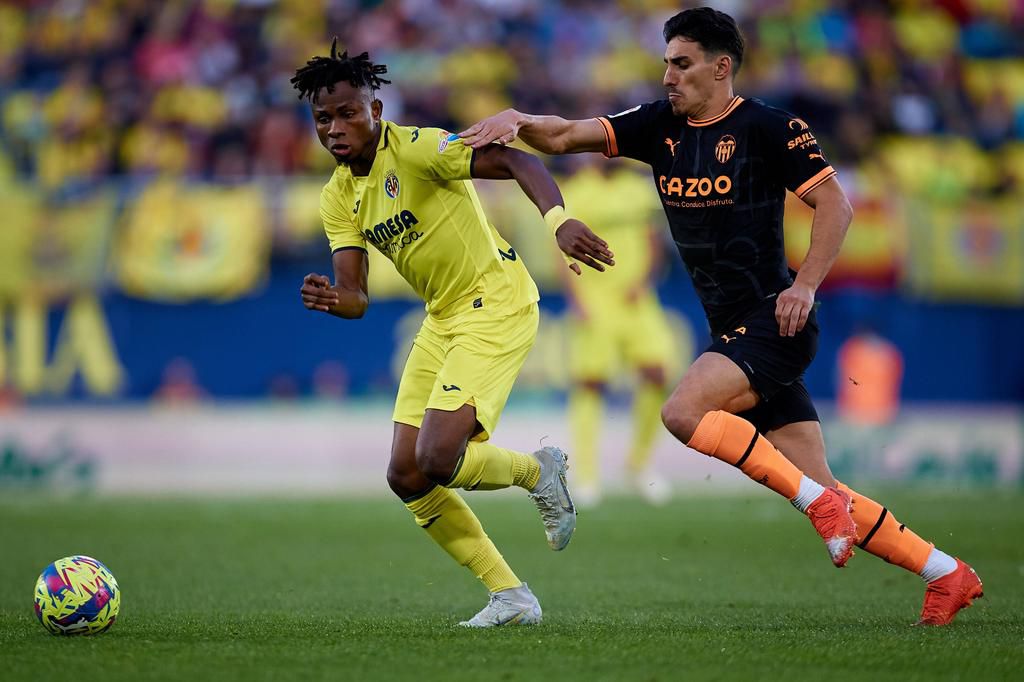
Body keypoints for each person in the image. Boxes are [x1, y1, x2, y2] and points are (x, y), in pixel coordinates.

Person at [460, 7, 982, 626]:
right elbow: (565, 135)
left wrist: (806, 285)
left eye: (681, 65)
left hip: (775, 321)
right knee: (824, 486)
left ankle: (820, 507)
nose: (667, 78)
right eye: (665, 65)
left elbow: (834, 205)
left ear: (720, 67)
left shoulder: (770, 127)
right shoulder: (657, 127)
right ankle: (946, 573)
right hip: (731, 331)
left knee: (682, 412)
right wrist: (519, 122)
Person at [293, 44, 615, 628]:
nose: (336, 129)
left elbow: (519, 162)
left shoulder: (417, 149)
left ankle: (537, 471)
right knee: (406, 473)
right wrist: (332, 300)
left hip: (496, 302)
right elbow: (358, 297)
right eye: (323, 119)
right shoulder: (337, 195)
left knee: (439, 456)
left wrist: (557, 222)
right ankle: (511, 597)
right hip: (441, 317)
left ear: (377, 108)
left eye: (348, 113)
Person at [559, 158, 675, 506]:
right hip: (595, 298)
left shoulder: (636, 188)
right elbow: (561, 249)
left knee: (658, 373)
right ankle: (587, 475)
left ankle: (638, 465)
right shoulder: (577, 190)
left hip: (636, 297)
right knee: (591, 381)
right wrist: (575, 297)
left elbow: (652, 239)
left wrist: (646, 280)